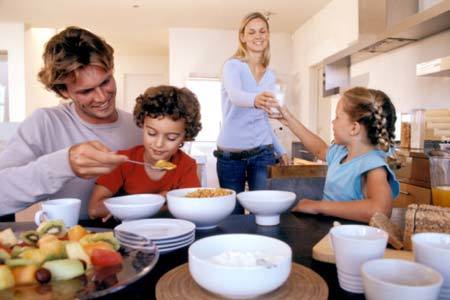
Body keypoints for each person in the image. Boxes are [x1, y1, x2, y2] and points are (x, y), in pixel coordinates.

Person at [0, 26, 142, 220]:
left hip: (134, 238)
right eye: (86, 91)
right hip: (69, 241)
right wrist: (64, 164)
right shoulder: (45, 123)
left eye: (106, 81)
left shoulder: (138, 127)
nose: (101, 97)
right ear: (63, 91)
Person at [277, 87, 400, 223]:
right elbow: (319, 150)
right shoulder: (340, 152)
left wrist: (318, 206)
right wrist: (289, 120)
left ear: (354, 128)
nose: (333, 122)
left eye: (337, 117)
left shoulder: (373, 164)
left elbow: (380, 210)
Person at [88, 85, 202, 220]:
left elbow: (190, 209)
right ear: (142, 124)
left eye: (171, 138)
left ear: (185, 136)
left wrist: (126, 209)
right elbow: (94, 210)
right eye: (152, 133)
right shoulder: (122, 160)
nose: (159, 144)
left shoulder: (186, 165)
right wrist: (158, 200)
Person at [215, 12, 288, 214]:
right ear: (243, 37)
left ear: (268, 35)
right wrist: (255, 99)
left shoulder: (270, 75)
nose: (258, 36)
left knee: (263, 210)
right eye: (252, 31)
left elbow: (263, 118)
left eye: (262, 31)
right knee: (233, 213)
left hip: (262, 152)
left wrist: (280, 148)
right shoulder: (232, 66)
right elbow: (236, 96)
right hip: (231, 155)